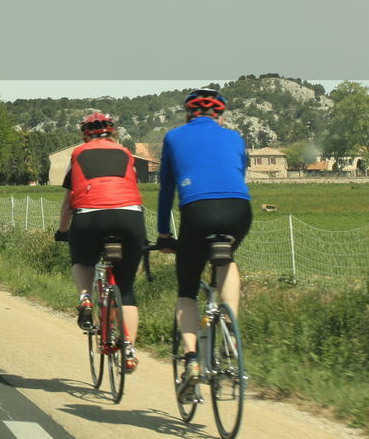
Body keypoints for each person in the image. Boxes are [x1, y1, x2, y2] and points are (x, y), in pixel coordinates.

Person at [156, 88, 252, 396]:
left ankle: (192, 359)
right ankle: (231, 332)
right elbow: (238, 171)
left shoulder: (173, 137)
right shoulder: (236, 138)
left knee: (187, 288)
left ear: (188, 114)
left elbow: (166, 190)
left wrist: (164, 236)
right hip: (239, 209)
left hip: (197, 210)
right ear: (219, 115)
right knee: (226, 260)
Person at [55, 111, 145, 373]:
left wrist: (62, 231)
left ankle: (85, 299)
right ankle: (129, 348)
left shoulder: (78, 155)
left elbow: (70, 200)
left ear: (84, 134)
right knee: (126, 288)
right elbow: (131, 188)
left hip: (89, 218)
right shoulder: (126, 154)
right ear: (113, 132)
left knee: (83, 260)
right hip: (130, 217)